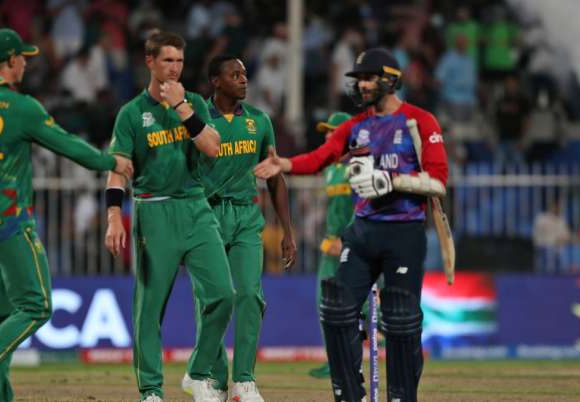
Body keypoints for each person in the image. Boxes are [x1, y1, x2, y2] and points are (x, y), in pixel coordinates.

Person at [0, 28, 130, 402]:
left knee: (3, 314)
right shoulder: (21, 107)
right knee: (37, 306)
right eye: (23, 57)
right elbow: (68, 145)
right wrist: (113, 161)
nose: (27, 63)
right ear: (11, 61)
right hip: (11, 220)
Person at [254, 48, 449, 402]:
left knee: (401, 320)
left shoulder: (419, 121)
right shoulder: (355, 127)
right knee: (336, 306)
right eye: (358, 78)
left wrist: (392, 181)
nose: (362, 85)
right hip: (363, 229)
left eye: (369, 77)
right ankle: (349, 395)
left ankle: (402, 397)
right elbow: (319, 158)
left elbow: (437, 182)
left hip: (403, 230)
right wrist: (284, 163)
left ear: (390, 79)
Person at [103, 31, 234, 402]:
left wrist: (182, 110)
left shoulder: (193, 102)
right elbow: (118, 168)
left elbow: (212, 148)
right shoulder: (131, 114)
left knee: (224, 295)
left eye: (179, 61)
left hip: (195, 207)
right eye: (167, 61)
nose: (175, 68)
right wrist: (114, 215)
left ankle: (197, 371)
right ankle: (151, 391)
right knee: (149, 309)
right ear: (150, 62)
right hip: (153, 208)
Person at [181, 54, 296, 402]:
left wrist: (288, 231)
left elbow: (275, 177)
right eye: (235, 74)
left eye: (245, 74)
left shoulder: (259, 122)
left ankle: (243, 381)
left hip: (247, 217)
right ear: (216, 80)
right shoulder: (197, 121)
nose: (244, 80)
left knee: (248, 294)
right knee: (213, 300)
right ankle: (212, 380)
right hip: (207, 217)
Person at [306, 111, 352, 380]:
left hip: (356, 245)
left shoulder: (360, 167)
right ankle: (335, 361)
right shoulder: (331, 170)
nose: (326, 137)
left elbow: (365, 208)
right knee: (324, 304)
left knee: (367, 302)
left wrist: (348, 240)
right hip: (331, 247)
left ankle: (384, 337)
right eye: (325, 132)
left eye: (331, 132)